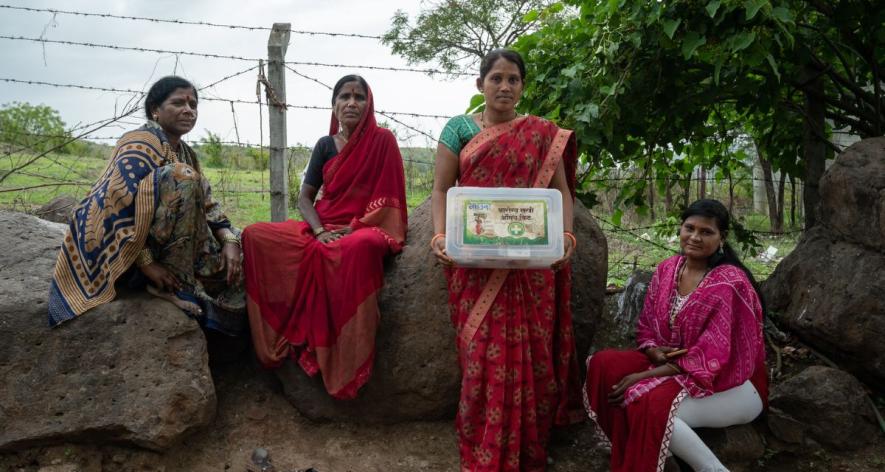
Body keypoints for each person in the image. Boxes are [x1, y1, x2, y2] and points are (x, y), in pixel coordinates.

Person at [431, 49, 583, 471]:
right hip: (474, 266)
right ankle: (482, 447)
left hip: (532, 268)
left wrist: (566, 236)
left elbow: (561, 194)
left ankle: (527, 449)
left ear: (522, 86)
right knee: (481, 356)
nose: (504, 86)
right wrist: (441, 236)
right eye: (496, 78)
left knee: (532, 356)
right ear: (480, 84)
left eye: (513, 79)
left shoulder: (541, 133)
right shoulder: (458, 129)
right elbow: (442, 189)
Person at [242, 75, 406, 400]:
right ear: (334, 105)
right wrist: (319, 231)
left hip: (362, 228)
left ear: (368, 104)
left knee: (362, 246)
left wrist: (356, 227)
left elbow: (390, 200)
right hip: (323, 225)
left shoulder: (383, 141)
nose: (351, 103)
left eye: (359, 97)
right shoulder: (325, 145)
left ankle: (348, 359)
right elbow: (305, 198)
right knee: (254, 234)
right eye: (344, 96)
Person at [48, 76, 246, 335]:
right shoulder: (139, 142)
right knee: (180, 176)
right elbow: (116, 204)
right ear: (155, 109)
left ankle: (213, 302)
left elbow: (208, 206)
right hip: (125, 248)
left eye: (193, 105)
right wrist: (147, 263)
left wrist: (230, 240)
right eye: (178, 103)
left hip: (167, 244)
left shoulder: (186, 153)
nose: (188, 110)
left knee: (249, 245)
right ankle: (170, 288)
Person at [584, 199, 768, 472]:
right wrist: (651, 351)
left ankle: (713, 469)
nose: (694, 237)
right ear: (680, 229)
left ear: (722, 238)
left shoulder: (730, 282)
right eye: (689, 228)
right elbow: (646, 326)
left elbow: (712, 357)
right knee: (604, 363)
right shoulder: (668, 269)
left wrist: (643, 376)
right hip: (673, 367)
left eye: (706, 232)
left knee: (644, 401)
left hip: (732, 382)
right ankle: (663, 461)